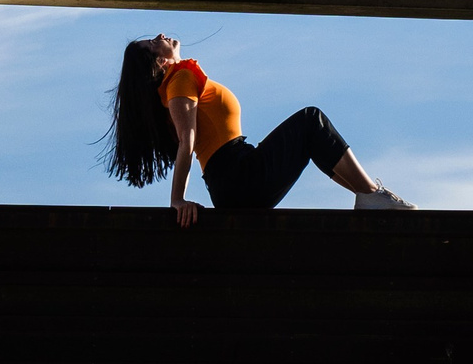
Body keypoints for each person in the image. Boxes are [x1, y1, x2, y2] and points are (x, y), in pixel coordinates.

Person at [105, 33, 414, 227]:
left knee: (308, 135)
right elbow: (188, 140)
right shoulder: (180, 78)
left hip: (233, 181)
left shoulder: (174, 86)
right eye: (153, 42)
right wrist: (177, 200)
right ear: (159, 62)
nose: (160, 35)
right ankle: (372, 195)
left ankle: (369, 198)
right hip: (238, 175)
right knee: (310, 120)